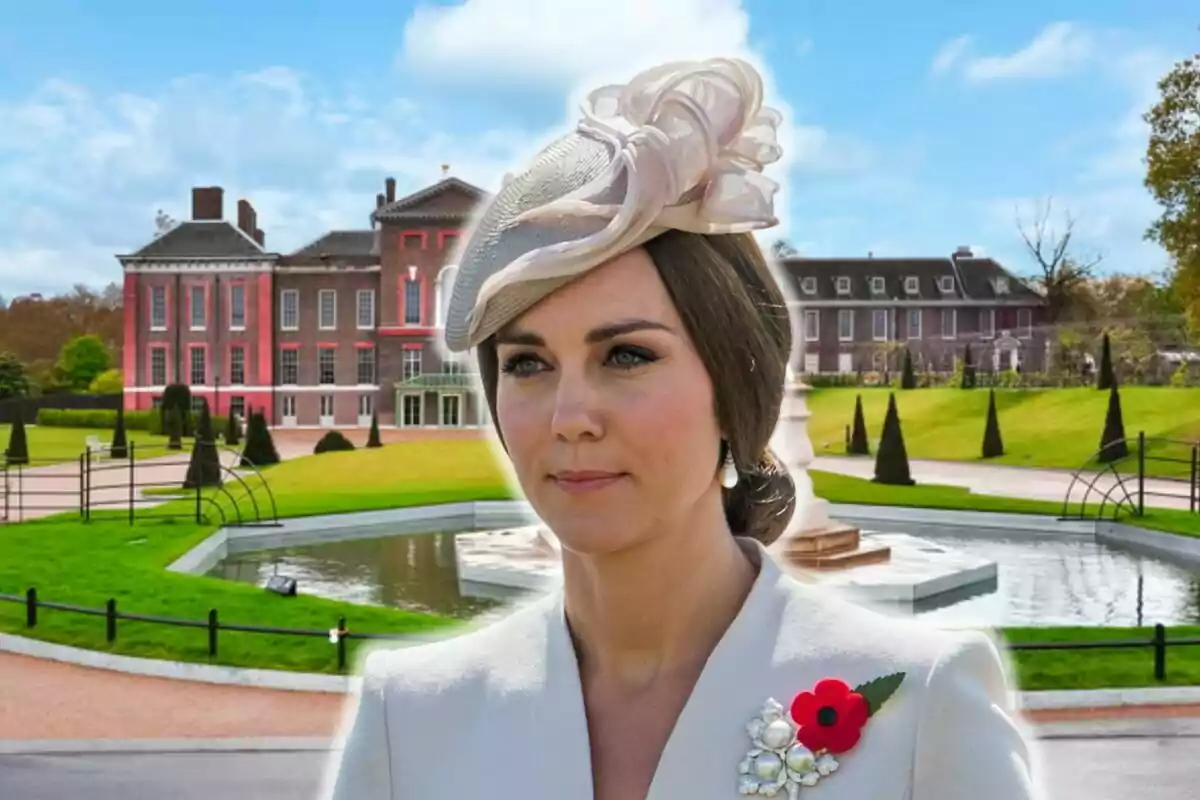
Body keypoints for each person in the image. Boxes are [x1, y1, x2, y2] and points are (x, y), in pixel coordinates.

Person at [319, 57, 1043, 799]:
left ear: (734, 388)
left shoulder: (921, 707)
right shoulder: (408, 718)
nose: (570, 419)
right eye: (529, 364)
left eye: (626, 355)